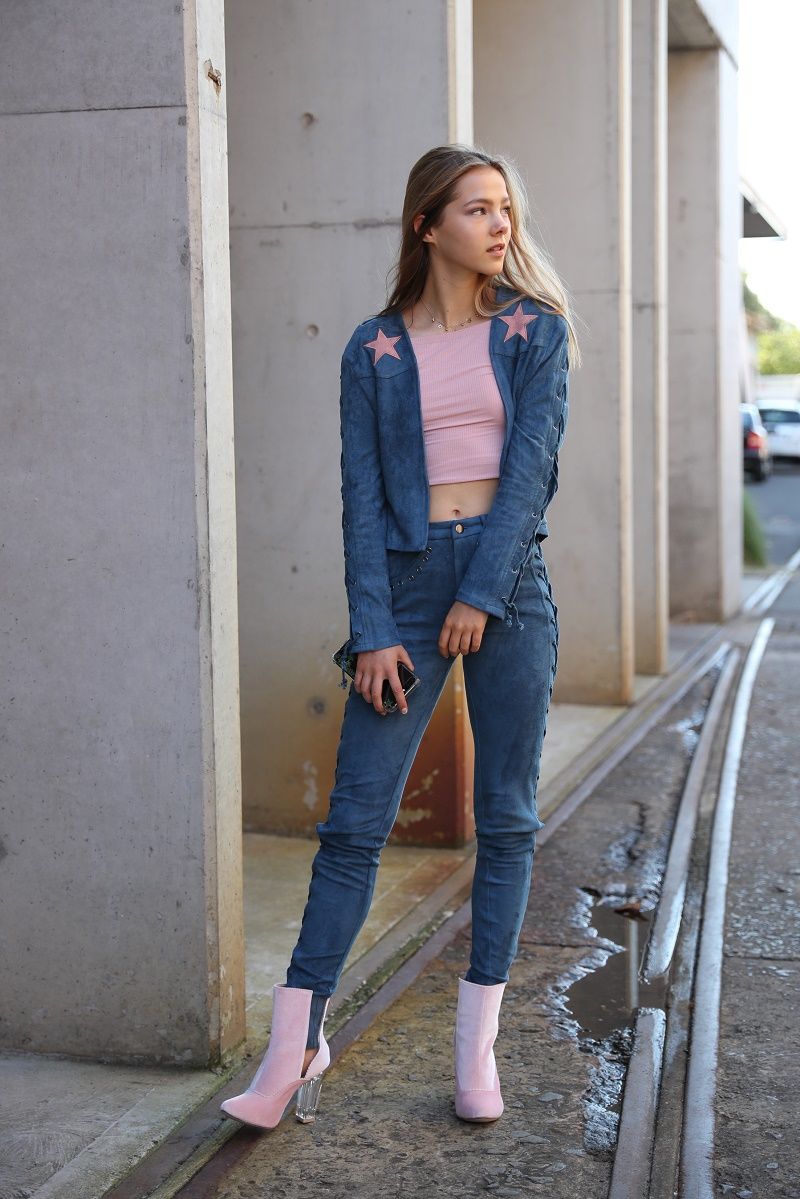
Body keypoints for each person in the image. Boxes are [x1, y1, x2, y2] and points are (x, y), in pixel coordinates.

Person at [221, 143, 581, 1131]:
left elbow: (529, 473)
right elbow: (359, 495)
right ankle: (292, 1048)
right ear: (426, 225)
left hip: (504, 585)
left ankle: (475, 1054)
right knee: (352, 825)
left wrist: (483, 591)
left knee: (502, 819)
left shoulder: (532, 331)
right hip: (407, 586)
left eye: (503, 206)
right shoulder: (373, 348)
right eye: (473, 209)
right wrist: (373, 625)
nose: (497, 225)